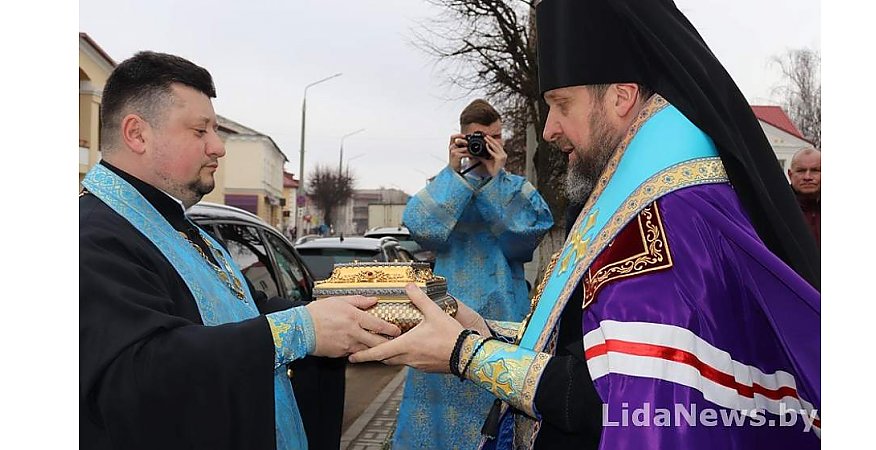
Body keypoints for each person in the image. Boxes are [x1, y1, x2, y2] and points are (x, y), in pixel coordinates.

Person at [351, 1, 821, 449]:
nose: (551, 128)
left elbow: (606, 400)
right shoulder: (641, 199)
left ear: (620, 97)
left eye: (561, 104)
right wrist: (485, 332)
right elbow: (591, 347)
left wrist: (466, 353)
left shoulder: (669, 219)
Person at [80, 51, 401, 450]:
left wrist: (343, 315)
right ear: (137, 134)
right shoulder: (90, 237)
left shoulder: (175, 224)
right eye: (200, 131)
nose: (218, 147)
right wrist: (299, 331)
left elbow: (239, 313)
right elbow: (140, 373)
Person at [395, 99, 554, 448]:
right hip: (445, 313)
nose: (486, 146)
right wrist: (453, 173)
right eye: (477, 139)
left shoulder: (515, 187)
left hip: (502, 317)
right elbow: (422, 228)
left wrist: (498, 178)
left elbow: (526, 238)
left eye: (494, 137)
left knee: (496, 401)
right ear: (462, 139)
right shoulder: (447, 184)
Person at [788, 148, 821, 246]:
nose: (807, 177)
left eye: (815, 170)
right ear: (790, 175)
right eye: (801, 171)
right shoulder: (776, 209)